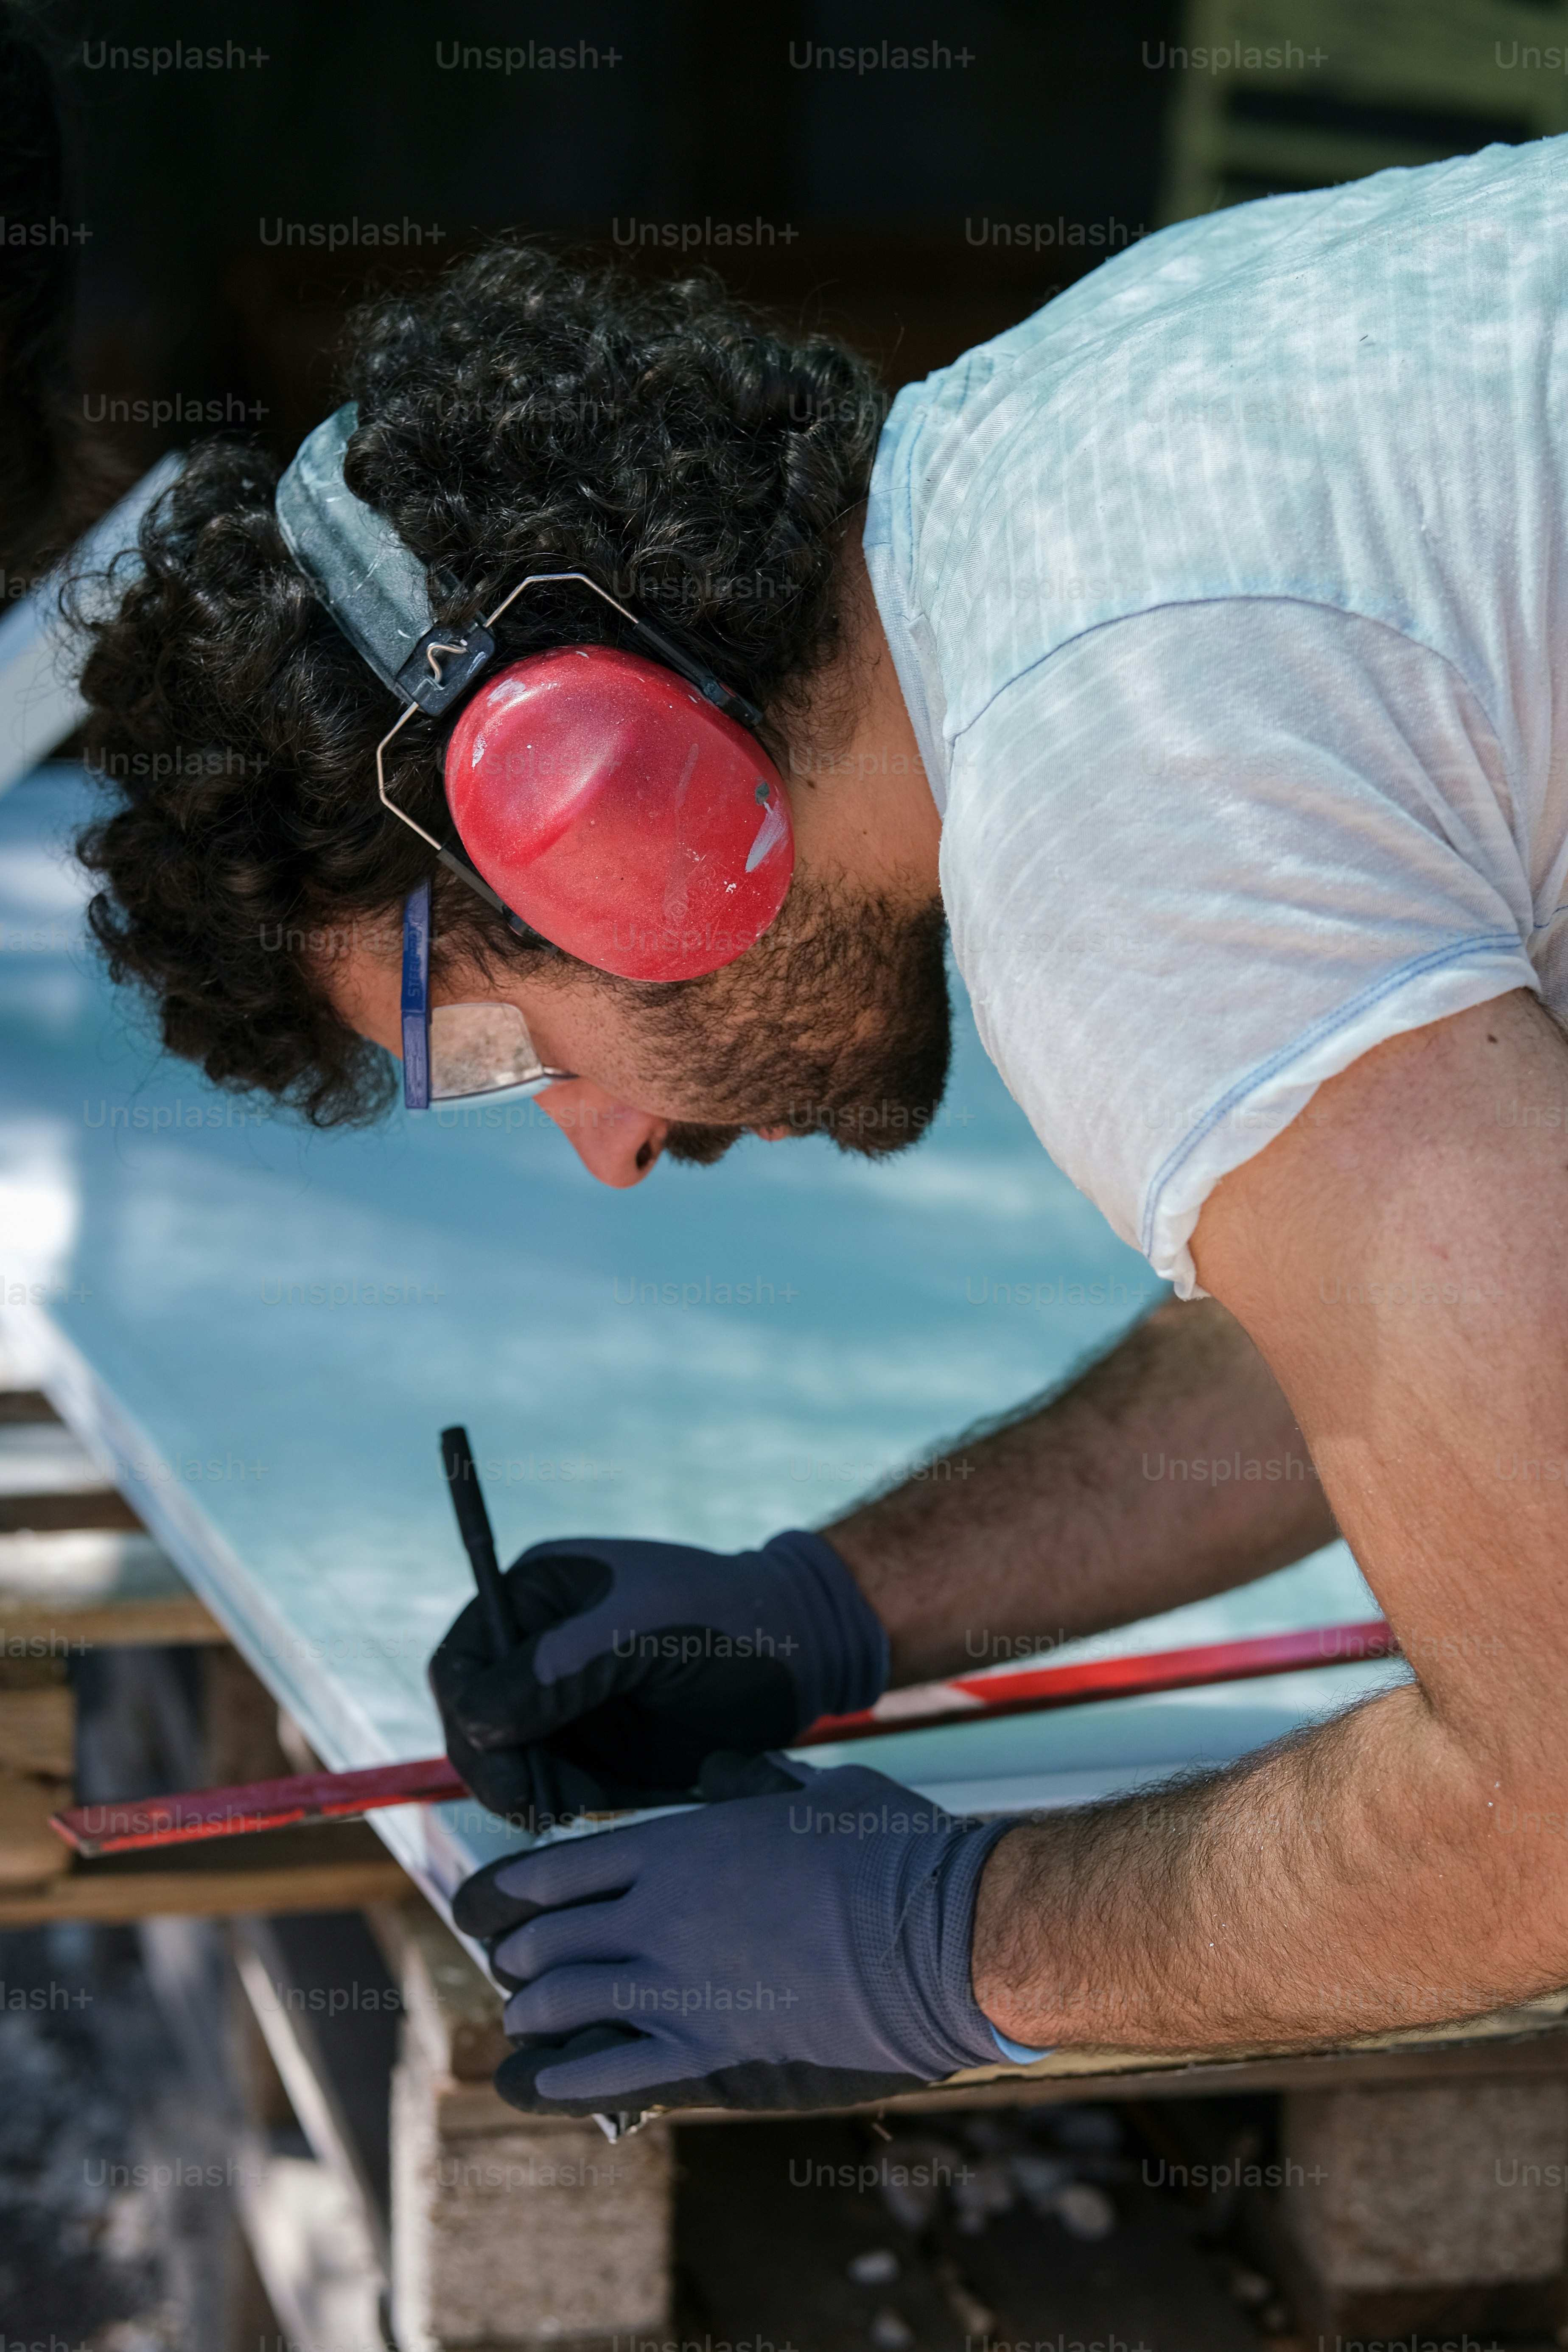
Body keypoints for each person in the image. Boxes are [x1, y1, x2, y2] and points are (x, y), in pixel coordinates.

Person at [71, 132, 1568, 2116]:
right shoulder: (1080, 460)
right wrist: (836, 1606)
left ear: (615, 824)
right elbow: (1427, 1344)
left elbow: (1549, 1809)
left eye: (513, 1052)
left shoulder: (1119, 799)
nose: (603, 1145)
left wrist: (946, 1941)